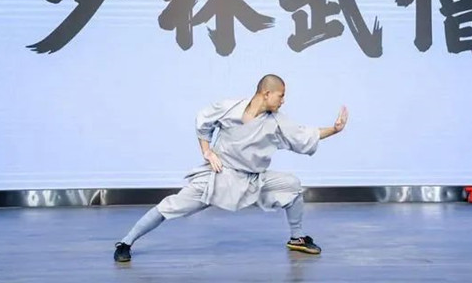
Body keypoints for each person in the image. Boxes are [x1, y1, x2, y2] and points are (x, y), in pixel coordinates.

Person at [114, 74, 348, 262]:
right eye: (281, 95)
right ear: (266, 93)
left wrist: (334, 129)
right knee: (170, 206)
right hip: (219, 176)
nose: (283, 100)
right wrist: (207, 151)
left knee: (292, 186)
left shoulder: (277, 120)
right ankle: (126, 242)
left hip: (254, 180)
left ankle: (297, 238)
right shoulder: (230, 108)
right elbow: (203, 121)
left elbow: (304, 135)